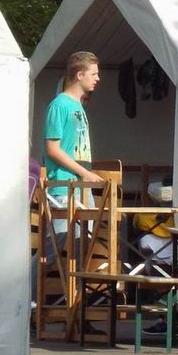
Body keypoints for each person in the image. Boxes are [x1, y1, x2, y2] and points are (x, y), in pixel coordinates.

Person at [43, 52, 105, 257]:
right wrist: (85, 173)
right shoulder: (59, 105)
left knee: (84, 244)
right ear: (79, 75)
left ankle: (78, 281)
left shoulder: (78, 105)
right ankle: (28, 279)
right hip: (65, 186)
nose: (98, 78)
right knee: (54, 245)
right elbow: (52, 149)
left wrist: (86, 175)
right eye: (93, 74)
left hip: (82, 186)